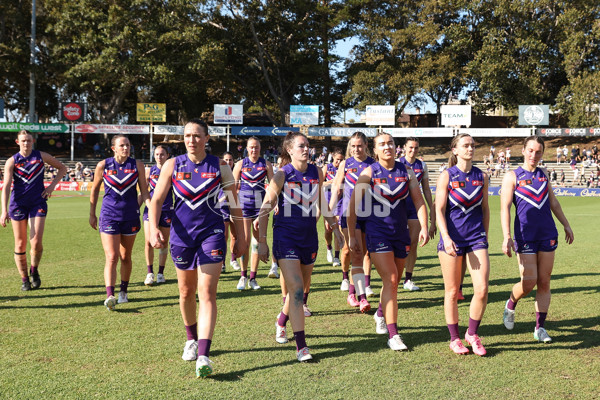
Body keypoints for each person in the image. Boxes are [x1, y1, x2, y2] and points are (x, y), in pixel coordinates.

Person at [148, 119, 245, 378]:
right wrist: (152, 228)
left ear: (206, 138)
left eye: (197, 135)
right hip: (181, 236)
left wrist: (241, 236)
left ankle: (203, 354)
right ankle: (190, 338)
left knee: (207, 292)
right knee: (186, 291)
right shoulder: (172, 164)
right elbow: (156, 200)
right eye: (188, 136)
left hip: (212, 234)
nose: (192, 140)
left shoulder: (220, 166)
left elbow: (234, 205)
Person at [256, 131, 343, 362]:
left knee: (300, 289)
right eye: (301, 146)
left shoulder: (317, 172)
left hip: (309, 238)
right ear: (290, 151)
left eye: (308, 146)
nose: (306, 149)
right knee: (295, 290)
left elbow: (322, 203)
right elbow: (266, 206)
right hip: (286, 237)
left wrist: (336, 229)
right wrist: (262, 242)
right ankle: (302, 347)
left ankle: (281, 321)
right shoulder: (282, 174)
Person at [347, 132, 429, 351]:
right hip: (377, 233)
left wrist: (424, 226)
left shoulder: (407, 171)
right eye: (382, 144)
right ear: (375, 150)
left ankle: (381, 313)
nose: (387, 147)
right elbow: (353, 207)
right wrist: (353, 236)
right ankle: (393, 335)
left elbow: (419, 202)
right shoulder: (368, 172)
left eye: (390, 143)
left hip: (400, 234)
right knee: (392, 280)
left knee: (392, 283)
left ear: (396, 147)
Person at [500, 136, 574, 344]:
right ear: (523, 151)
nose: (534, 155)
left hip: (547, 233)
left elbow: (553, 202)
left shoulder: (543, 175)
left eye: (538, 152)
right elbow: (505, 208)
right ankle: (511, 303)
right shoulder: (512, 176)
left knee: (544, 281)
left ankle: (540, 328)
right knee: (529, 281)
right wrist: (507, 236)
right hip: (525, 236)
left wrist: (566, 224)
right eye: (530, 150)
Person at [436, 133, 490, 356]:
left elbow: (485, 209)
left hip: (476, 238)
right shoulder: (446, 176)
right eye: (465, 145)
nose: (470, 148)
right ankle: (454, 338)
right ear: (455, 150)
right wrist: (446, 237)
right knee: (451, 291)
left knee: (482, 289)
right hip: (452, 240)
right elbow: (438, 210)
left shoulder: (482, 176)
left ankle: (472, 333)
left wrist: (484, 236)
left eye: (472, 145)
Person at [1, 130, 67, 290]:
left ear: (33, 141)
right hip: (18, 205)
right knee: (20, 243)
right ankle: (24, 279)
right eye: (23, 141)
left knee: (36, 242)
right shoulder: (12, 161)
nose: (26, 143)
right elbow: (6, 187)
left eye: (29, 140)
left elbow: (62, 169)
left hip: (38, 203)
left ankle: (34, 270)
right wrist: (4, 210)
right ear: (17, 142)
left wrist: (51, 186)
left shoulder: (41, 156)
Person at [89, 135, 149, 310]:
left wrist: (151, 208)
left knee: (125, 256)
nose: (126, 148)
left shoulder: (137, 165)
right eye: (122, 145)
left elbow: (144, 192)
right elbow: (94, 191)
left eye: (128, 145)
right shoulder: (103, 165)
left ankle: (124, 291)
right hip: (108, 216)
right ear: (113, 148)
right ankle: (110, 295)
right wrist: (92, 214)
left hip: (130, 216)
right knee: (112, 256)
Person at [329, 132, 375, 312]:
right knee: (355, 252)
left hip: (370, 216)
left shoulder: (373, 164)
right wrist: (330, 211)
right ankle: (361, 297)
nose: (356, 149)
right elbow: (336, 189)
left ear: (366, 145)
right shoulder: (346, 164)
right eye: (353, 146)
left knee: (365, 254)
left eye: (359, 146)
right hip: (350, 215)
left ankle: (352, 292)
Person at [232, 137, 274, 290]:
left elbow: (273, 187)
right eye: (251, 147)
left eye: (256, 147)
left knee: (258, 243)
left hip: (260, 209)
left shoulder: (266, 164)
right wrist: (233, 209)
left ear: (260, 148)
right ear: (247, 148)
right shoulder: (240, 164)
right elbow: (232, 188)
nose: (254, 150)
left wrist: (272, 205)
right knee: (245, 241)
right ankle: (242, 276)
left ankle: (253, 278)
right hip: (244, 207)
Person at [398, 137, 436, 291]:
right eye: (410, 147)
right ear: (404, 148)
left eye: (416, 148)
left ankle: (408, 279)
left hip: (414, 208)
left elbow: (426, 189)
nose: (413, 151)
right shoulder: (396, 163)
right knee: (398, 243)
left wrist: (431, 209)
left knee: (413, 244)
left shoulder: (422, 165)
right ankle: (394, 275)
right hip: (398, 207)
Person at [143, 145, 173, 286]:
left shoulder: (173, 171)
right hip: (150, 210)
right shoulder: (149, 172)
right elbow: (143, 192)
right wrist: (140, 208)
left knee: (163, 242)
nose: (159, 157)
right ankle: (150, 273)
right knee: (149, 241)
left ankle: (161, 273)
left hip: (167, 210)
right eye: (157, 154)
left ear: (167, 155)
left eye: (162, 154)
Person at [322, 148, 344, 270]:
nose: (339, 162)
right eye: (337, 160)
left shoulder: (344, 169)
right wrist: (331, 182)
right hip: (327, 200)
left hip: (340, 201)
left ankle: (336, 257)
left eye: (341, 160)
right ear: (332, 158)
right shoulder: (327, 168)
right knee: (328, 229)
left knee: (337, 228)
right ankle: (328, 247)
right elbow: (320, 183)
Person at [218, 151, 238, 273]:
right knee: (224, 236)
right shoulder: (219, 174)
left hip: (235, 206)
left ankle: (233, 259)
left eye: (230, 160)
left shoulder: (237, 173)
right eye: (226, 160)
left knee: (235, 235)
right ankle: (223, 262)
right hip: (223, 208)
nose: (228, 162)